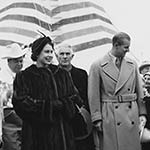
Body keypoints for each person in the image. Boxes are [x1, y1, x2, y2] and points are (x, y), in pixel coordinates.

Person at [12, 36, 82, 150]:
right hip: (36, 134)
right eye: (46, 52)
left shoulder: (62, 74)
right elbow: (20, 103)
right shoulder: (25, 76)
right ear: (37, 53)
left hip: (62, 134)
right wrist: (49, 107)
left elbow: (75, 98)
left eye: (51, 52)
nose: (49, 55)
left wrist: (64, 104)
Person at [88, 32, 146, 150]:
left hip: (131, 114)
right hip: (110, 114)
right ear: (116, 45)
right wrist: (97, 118)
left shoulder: (132, 64)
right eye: (126, 47)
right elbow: (93, 95)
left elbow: (139, 91)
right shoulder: (97, 65)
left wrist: (142, 113)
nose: (128, 50)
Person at [55, 43, 95, 150]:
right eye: (61, 54)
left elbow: (88, 96)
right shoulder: (52, 74)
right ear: (56, 56)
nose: (64, 57)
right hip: (61, 120)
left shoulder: (81, 74)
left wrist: (84, 111)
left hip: (81, 118)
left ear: (72, 56)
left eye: (67, 54)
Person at [0, 43, 27, 150]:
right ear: (9, 61)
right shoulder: (3, 79)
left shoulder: (22, 76)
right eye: (16, 61)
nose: (19, 64)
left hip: (23, 118)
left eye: (21, 61)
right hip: (8, 120)